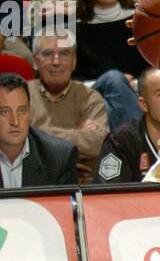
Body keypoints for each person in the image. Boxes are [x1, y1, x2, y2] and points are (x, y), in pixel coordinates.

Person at [27, 29, 109, 182]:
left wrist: (35, 132)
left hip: (82, 183)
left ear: (74, 61)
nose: (56, 62)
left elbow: (98, 144)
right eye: (47, 54)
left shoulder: (90, 97)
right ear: (35, 61)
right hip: (34, 181)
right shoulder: (23, 94)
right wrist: (78, 133)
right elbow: (14, 140)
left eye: (64, 54)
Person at [73, 0, 144, 126]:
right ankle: (140, 141)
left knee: (113, 109)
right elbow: (76, 80)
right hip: (96, 93)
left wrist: (131, 84)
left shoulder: (139, 20)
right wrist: (118, 82)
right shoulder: (77, 28)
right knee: (113, 79)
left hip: (139, 88)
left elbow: (150, 65)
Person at [0, 72, 77, 188]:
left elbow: (64, 206)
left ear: (30, 110)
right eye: (5, 112)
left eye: (22, 110)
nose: (15, 122)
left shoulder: (59, 157)